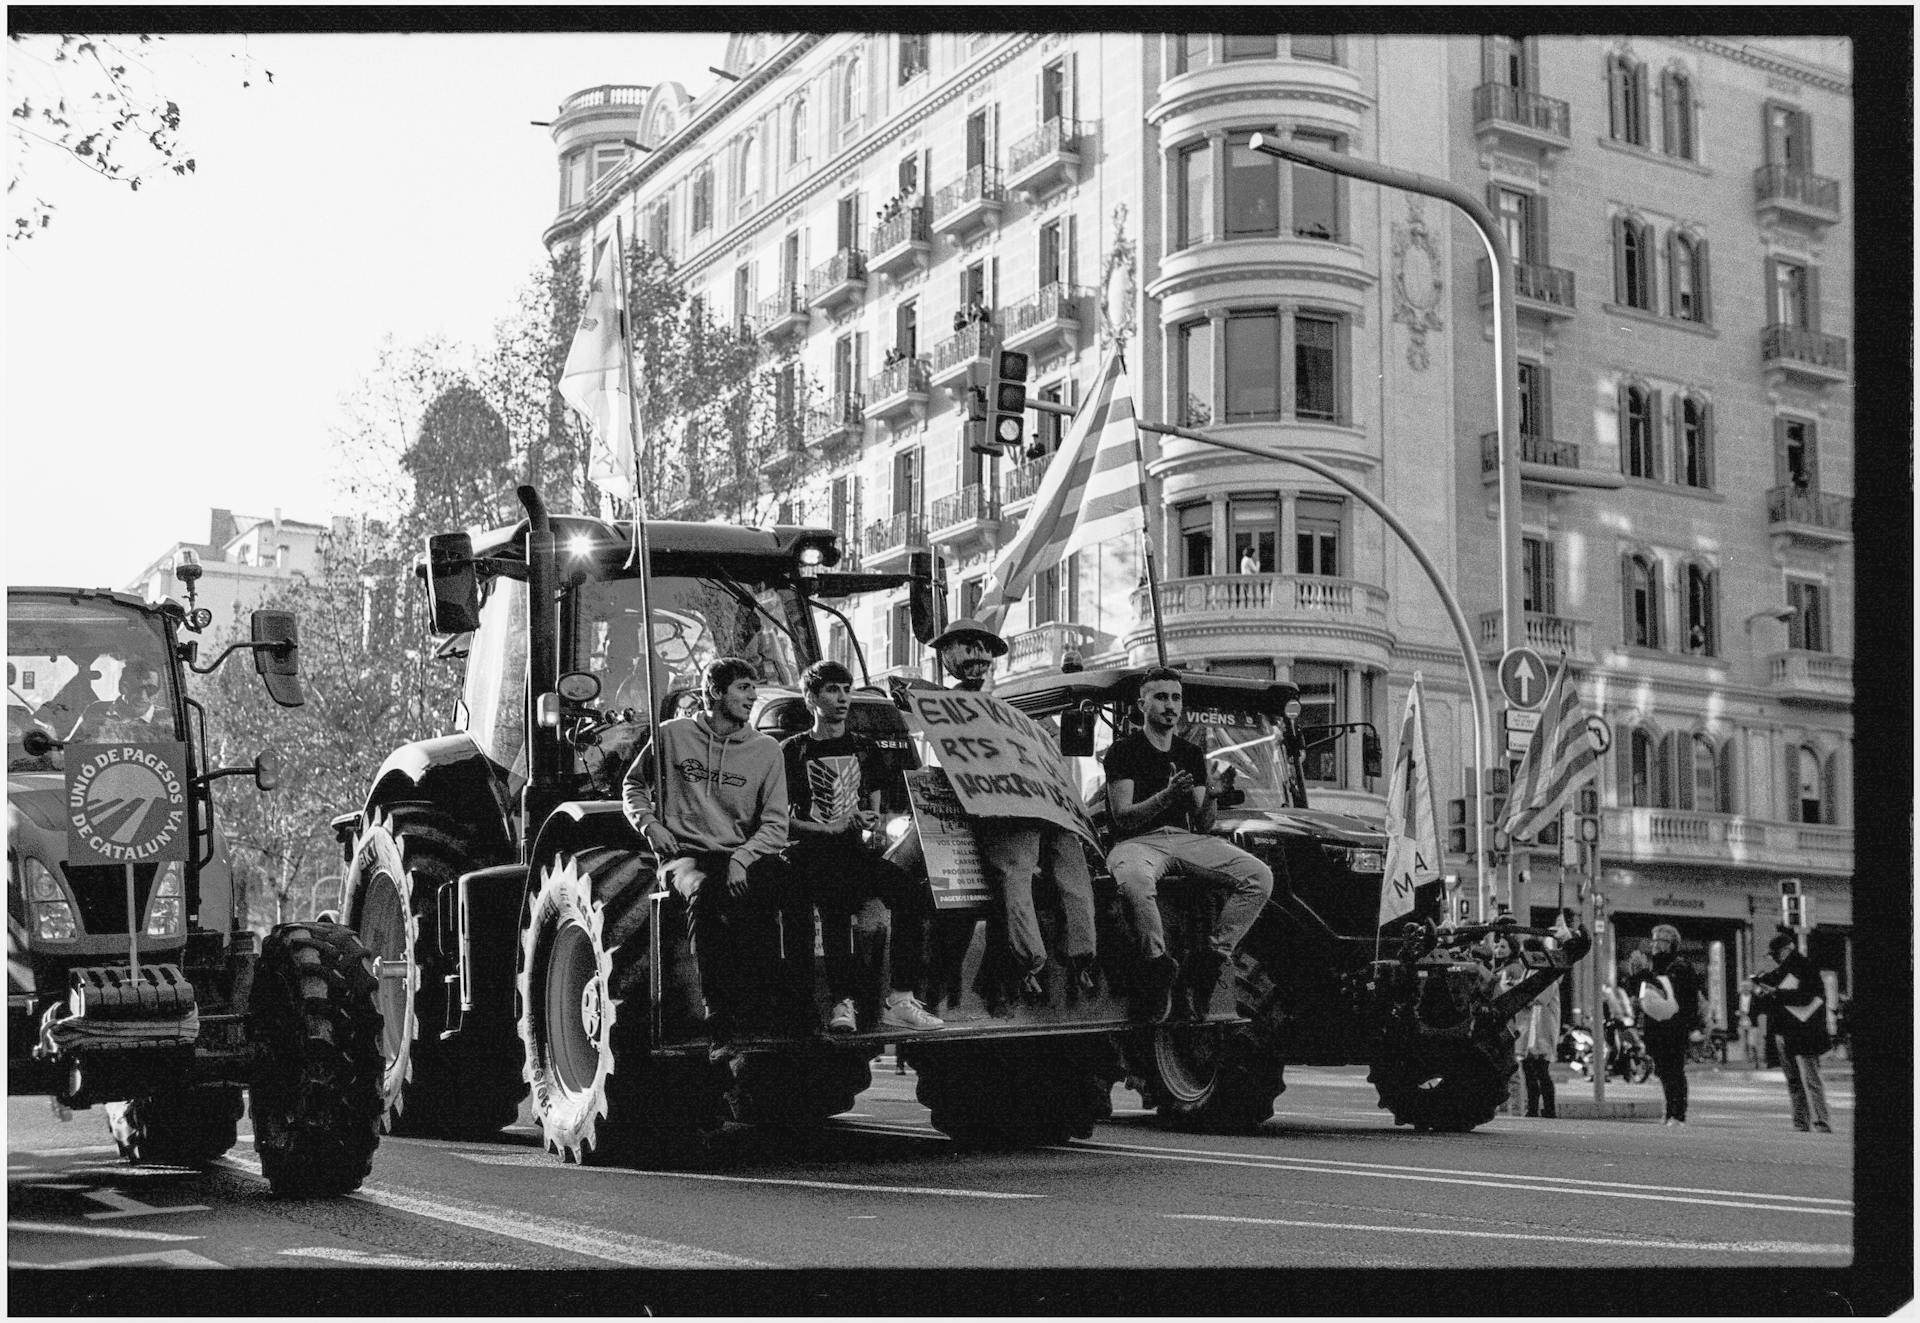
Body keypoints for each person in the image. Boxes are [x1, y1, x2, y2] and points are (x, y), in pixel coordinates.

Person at [888, 617, 1098, 1007]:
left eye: (984, 648)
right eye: (968, 646)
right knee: (1004, 873)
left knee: (1059, 869)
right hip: (974, 813)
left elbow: (1048, 749)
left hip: (1022, 808)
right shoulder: (937, 706)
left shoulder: (1012, 708)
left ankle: (1072, 960)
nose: (978, 656)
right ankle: (1021, 967)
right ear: (947, 654)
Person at [622, 656, 797, 1064]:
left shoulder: (767, 750)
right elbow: (633, 783)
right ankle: (719, 1022)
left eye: (754, 688)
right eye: (743, 688)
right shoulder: (672, 735)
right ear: (716, 692)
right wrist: (650, 825)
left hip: (740, 853)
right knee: (706, 892)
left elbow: (776, 825)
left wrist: (742, 858)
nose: (753, 696)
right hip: (684, 855)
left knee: (791, 884)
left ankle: (783, 1009)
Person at [1103, 666, 1274, 1022]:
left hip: (1185, 838)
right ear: (1142, 703)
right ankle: (1156, 964)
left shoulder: (1191, 754)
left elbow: (1204, 823)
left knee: (1259, 875)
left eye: (1176, 698)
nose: (1170, 705)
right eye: (1161, 697)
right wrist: (1166, 796)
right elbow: (1123, 817)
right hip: (1139, 841)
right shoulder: (1123, 751)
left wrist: (1210, 796)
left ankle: (1211, 958)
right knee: (1134, 882)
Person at [781, 660, 944, 1034]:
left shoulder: (865, 748)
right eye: (832, 690)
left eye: (846, 689)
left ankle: (900, 998)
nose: (842, 698)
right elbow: (781, 818)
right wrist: (831, 828)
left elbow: (875, 803)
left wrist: (871, 824)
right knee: (834, 900)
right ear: (810, 698)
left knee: (909, 892)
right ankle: (843, 1001)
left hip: (857, 849)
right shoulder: (792, 750)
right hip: (813, 851)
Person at [1750, 928, 1833, 1133]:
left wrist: (1776, 993)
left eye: (1775, 954)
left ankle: (1821, 1121)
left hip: (1804, 1030)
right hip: (1783, 1029)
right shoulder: (1780, 971)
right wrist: (1761, 990)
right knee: (1794, 1079)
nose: (1774, 959)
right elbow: (1770, 999)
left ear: (1786, 950)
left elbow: (1804, 996)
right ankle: (1800, 1122)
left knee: (1810, 1078)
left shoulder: (1805, 967)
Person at [1626, 924, 1702, 1127]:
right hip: (1656, 1026)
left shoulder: (1679, 966)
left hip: (1674, 1027)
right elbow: (1642, 992)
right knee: (1663, 1071)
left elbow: (1669, 993)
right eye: (1654, 940)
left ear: (1671, 944)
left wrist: (1692, 1026)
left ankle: (1677, 1113)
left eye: (1660, 940)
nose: (1655, 944)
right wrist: (1636, 975)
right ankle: (1670, 1111)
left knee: (1674, 1070)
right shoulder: (1654, 966)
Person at [66, 658, 168, 743]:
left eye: (151, 689)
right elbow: (72, 752)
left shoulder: (168, 719)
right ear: (123, 687)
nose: (142, 696)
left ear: (157, 694)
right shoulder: (96, 711)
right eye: (136, 688)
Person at [1513, 937, 1561, 1118]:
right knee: (1528, 1070)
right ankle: (1532, 1107)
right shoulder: (1528, 971)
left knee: (1541, 1070)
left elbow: (1539, 998)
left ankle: (1549, 1109)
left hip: (1542, 1027)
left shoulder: (1547, 973)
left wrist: (1522, 996)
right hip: (1527, 1027)